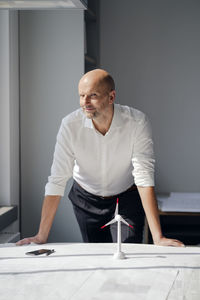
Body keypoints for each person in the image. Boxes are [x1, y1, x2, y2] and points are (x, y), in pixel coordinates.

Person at [17, 69, 184, 247]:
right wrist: (41, 236)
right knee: (96, 257)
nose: (85, 102)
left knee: (130, 253)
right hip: (86, 199)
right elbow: (57, 180)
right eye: (82, 96)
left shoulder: (137, 122)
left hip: (126, 197)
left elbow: (144, 178)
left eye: (93, 96)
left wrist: (158, 237)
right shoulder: (70, 126)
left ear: (111, 97)